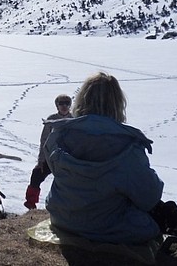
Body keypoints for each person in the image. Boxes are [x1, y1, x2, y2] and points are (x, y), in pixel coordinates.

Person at [45, 72, 164, 244]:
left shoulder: (59, 134)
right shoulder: (128, 145)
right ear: (117, 103)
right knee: (154, 221)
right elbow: (149, 196)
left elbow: (57, 171)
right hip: (107, 228)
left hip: (62, 219)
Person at [24, 93, 73, 209]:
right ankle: (31, 203)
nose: (64, 106)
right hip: (50, 156)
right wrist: (41, 160)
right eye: (61, 103)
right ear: (57, 105)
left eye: (67, 103)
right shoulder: (51, 120)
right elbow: (44, 140)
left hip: (67, 157)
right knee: (36, 175)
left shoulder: (74, 120)